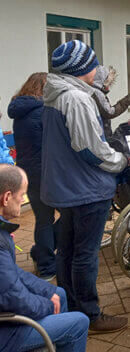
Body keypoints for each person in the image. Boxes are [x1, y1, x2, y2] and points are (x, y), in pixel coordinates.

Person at [41, 40, 128, 334]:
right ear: (82, 69)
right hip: (86, 189)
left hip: (66, 187)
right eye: (93, 63)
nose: (97, 68)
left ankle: (68, 307)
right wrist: (121, 161)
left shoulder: (54, 94)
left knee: (65, 250)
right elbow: (90, 149)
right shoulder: (76, 99)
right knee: (84, 255)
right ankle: (89, 314)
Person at [0, 164, 90, 352]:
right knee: (79, 323)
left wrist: (48, 292)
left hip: (7, 319)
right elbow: (12, 297)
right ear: (7, 197)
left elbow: (14, 274)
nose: (23, 199)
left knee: (60, 293)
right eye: (21, 195)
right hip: (6, 333)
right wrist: (47, 305)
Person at [8, 72, 57, 281]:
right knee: (73, 215)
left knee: (43, 219)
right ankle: (45, 259)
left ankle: (43, 258)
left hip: (30, 173)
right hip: (48, 173)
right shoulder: (42, 112)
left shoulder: (19, 112)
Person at [91, 65, 130, 138]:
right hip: (101, 134)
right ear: (102, 80)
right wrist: (128, 100)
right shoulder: (97, 93)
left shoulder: (93, 91)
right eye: (108, 83)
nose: (108, 87)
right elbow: (110, 112)